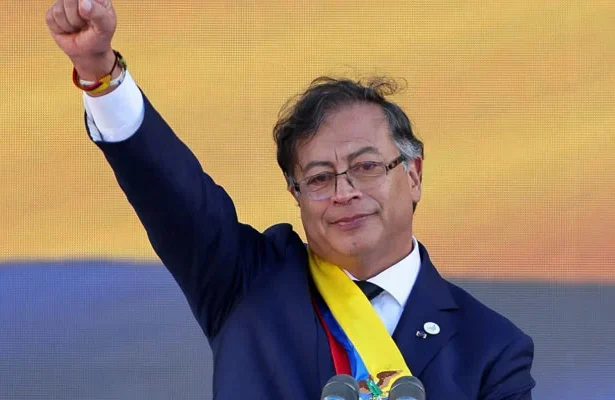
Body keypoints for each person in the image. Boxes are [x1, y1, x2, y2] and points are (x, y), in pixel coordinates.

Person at [45, 0, 536, 399]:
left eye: (366, 167)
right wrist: (100, 73)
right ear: (295, 194)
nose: (344, 192)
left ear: (413, 174)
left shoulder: (491, 349)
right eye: (319, 178)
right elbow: (169, 190)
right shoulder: (245, 283)